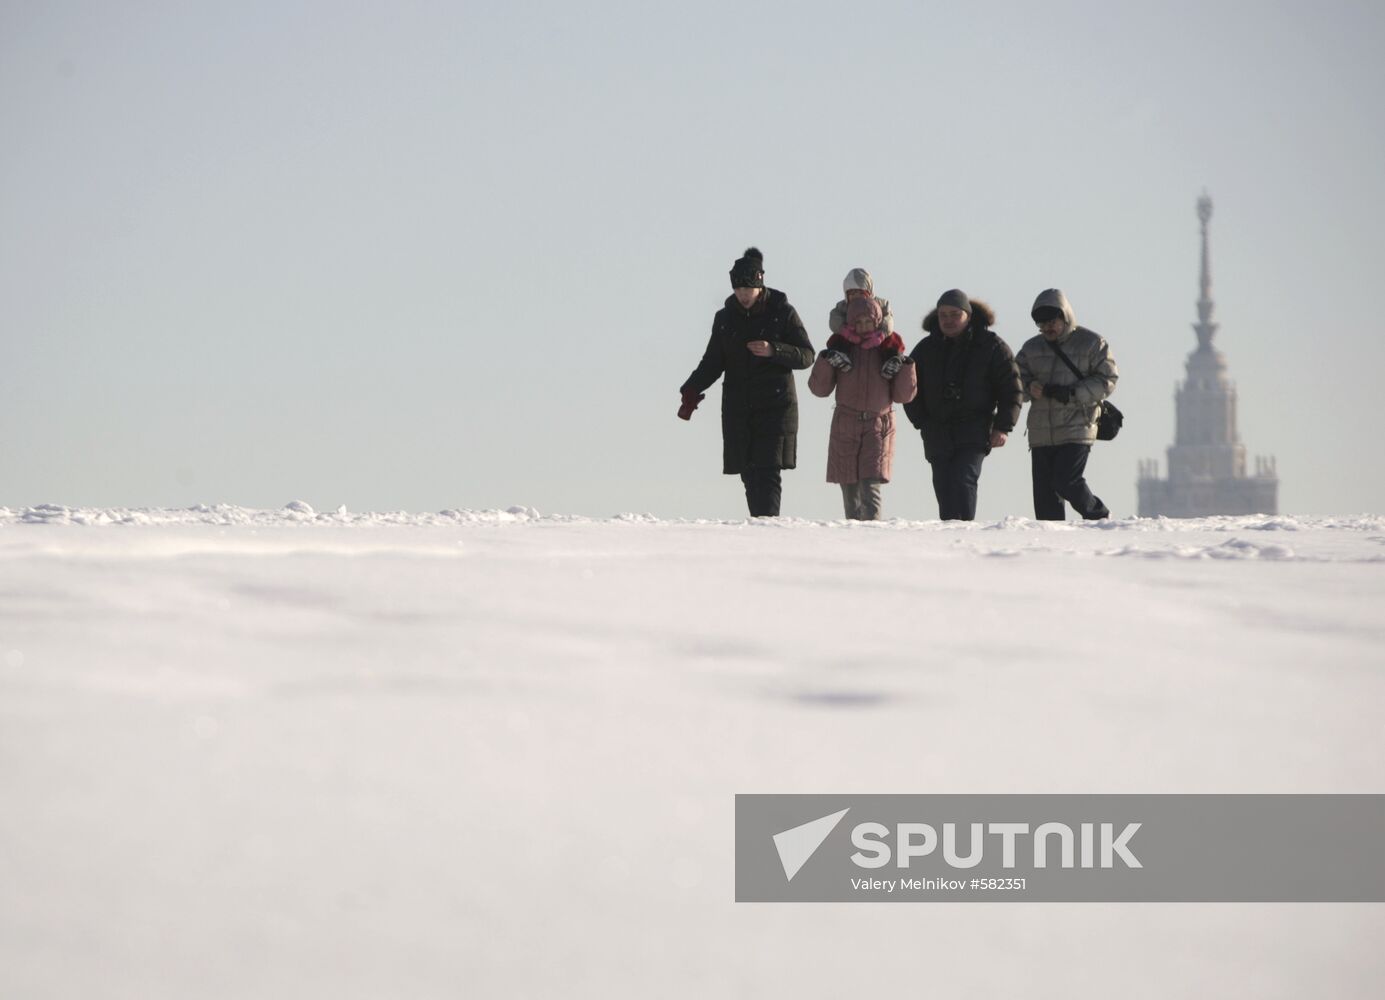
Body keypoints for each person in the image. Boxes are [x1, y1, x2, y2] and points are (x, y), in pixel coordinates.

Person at [678, 248, 815, 517]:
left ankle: (768, 527)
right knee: (749, 473)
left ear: (759, 283)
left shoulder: (782, 312)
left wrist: (774, 350)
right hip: (739, 407)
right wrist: (691, 388)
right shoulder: (725, 318)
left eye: (748, 288)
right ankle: (759, 526)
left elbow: (807, 355)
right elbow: (713, 362)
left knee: (768, 471)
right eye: (738, 288)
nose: (743, 294)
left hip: (775, 407)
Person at [902, 289, 1022, 520]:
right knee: (943, 486)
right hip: (936, 430)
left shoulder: (991, 346)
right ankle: (949, 539)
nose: (948, 320)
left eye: (954, 314)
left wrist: (1003, 427)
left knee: (963, 479)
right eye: (943, 315)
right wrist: (922, 421)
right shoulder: (926, 349)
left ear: (968, 315)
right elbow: (908, 386)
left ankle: (965, 532)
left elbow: (1011, 389)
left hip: (974, 428)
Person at [808, 296, 917, 520]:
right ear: (850, 324)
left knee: (870, 486)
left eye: (869, 322)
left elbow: (903, 395)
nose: (864, 327)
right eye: (859, 323)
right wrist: (825, 361)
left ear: (878, 321)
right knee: (850, 490)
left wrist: (906, 368)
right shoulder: (841, 348)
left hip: (878, 426)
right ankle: (853, 533)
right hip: (846, 424)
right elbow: (819, 389)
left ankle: (873, 533)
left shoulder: (888, 349)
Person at [1015, 288, 1118, 521]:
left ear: (1065, 316)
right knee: (1044, 496)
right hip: (1041, 430)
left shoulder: (1092, 343)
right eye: (1042, 325)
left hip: (1078, 425)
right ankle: (1051, 544)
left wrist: (1072, 393)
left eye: (1052, 322)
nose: (1047, 328)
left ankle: (1099, 515)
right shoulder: (1031, 348)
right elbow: (1014, 382)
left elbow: (1108, 379)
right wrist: (1029, 387)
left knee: (1066, 480)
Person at [827, 267, 895, 338]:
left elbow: (888, 320)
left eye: (860, 292)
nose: (856, 296)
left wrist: (882, 334)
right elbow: (834, 319)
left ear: (869, 292)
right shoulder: (843, 307)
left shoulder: (880, 305)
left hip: (876, 338)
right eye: (852, 293)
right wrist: (844, 330)